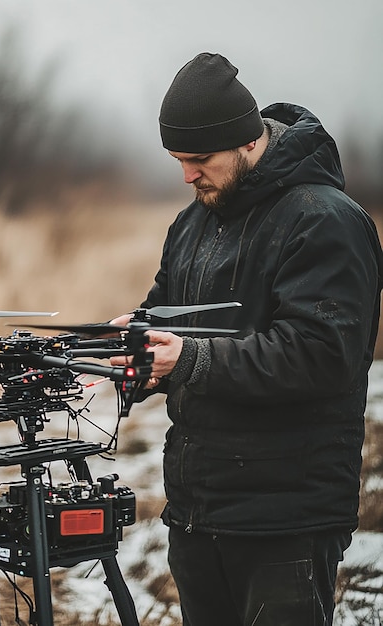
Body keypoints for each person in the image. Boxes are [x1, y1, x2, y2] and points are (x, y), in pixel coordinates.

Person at [109, 52, 383, 625]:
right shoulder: (193, 221)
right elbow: (168, 313)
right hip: (197, 511)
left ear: (247, 142)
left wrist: (188, 359)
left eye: (198, 158)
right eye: (177, 160)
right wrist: (126, 345)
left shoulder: (324, 219)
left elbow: (320, 355)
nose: (186, 175)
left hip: (286, 518)